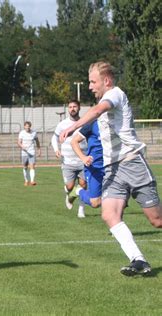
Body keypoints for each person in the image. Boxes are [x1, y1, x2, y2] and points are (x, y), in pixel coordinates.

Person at [60, 61, 162, 276]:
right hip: (112, 169)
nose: (89, 86)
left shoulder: (115, 94)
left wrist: (73, 125)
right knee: (109, 214)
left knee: (156, 220)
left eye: (92, 81)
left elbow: (98, 110)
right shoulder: (103, 102)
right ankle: (138, 260)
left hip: (132, 163)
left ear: (106, 81)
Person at [51, 100, 87, 218]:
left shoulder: (85, 123)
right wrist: (56, 149)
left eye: (75, 106)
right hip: (67, 161)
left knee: (83, 185)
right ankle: (69, 195)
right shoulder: (62, 124)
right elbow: (54, 138)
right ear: (68, 109)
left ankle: (81, 210)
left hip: (82, 160)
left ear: (79, 108)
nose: (72, 109)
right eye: (70, 107)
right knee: (70, 187)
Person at [70, 119, 104, 209]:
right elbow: (74, 141)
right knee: (95, 203)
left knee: (118, 200)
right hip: (95, 167)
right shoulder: (92, 123)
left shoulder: (117, 122)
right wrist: (83, 157)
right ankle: (78, 190)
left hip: (112, 165)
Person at [17, 121, 41, 186]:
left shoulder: (34, 133)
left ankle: (32, 181)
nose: (28, 127)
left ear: (30, 126)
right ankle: (26, 181)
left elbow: (37, 142)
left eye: (29, 126)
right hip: (24, 152)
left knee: (32, 166)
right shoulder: (22, 133)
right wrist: (22, 146)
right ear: (24, 126)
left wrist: (39, 149)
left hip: (31, 152)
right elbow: (19, 142)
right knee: (25, 167)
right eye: (26, 126)